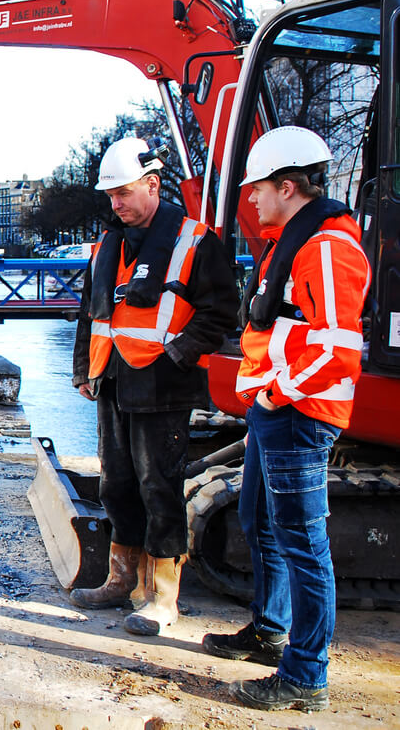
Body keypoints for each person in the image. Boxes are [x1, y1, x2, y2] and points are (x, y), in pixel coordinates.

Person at [202, 126, 369, 712]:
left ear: (288, 186)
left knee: (302, 540)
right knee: (260, 519)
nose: (250, 198)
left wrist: (277, 395)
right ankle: (270, 632)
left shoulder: (325, 246)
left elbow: (336, 348)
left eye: (257, 188)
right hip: (274, 410)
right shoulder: (293, 240)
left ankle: (305, 676)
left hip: (297, 413)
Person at [70, 137, 237, 636]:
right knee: (116, 485)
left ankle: (163, 598)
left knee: (158, 487)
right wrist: (84, 370)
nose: (116, 204)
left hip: (164, 386)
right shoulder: (107, 246)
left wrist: (179, 354)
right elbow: (90, 315)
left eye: (123, 193)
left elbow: (221, 313)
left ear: (152, 185)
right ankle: (121, 580)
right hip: (114, 381)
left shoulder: (193, 241)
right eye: (111, 196)